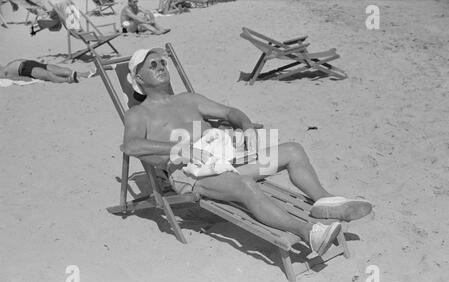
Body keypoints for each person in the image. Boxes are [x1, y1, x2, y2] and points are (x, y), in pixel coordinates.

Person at [121, 48, 373, 256]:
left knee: (293, 151)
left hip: (226, 157)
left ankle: (325, 202)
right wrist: (179, 149)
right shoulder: (139, 114)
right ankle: (309, 233)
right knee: (246, 185)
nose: (161, 66)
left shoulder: (188, 98)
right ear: (140, 79)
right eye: (152, 65)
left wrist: (247, 126)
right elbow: (130, 146)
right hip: (192, 172)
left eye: (162, 61)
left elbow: (230, 112)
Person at [0, 59, 92, 83]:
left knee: (57, 70)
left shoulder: (6, 66)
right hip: (24, 70)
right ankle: (68, 80)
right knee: (48, 74)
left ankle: (82, 74)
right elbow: (14, 78)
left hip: (30, 63)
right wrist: (22, 79)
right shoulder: (3, 74)